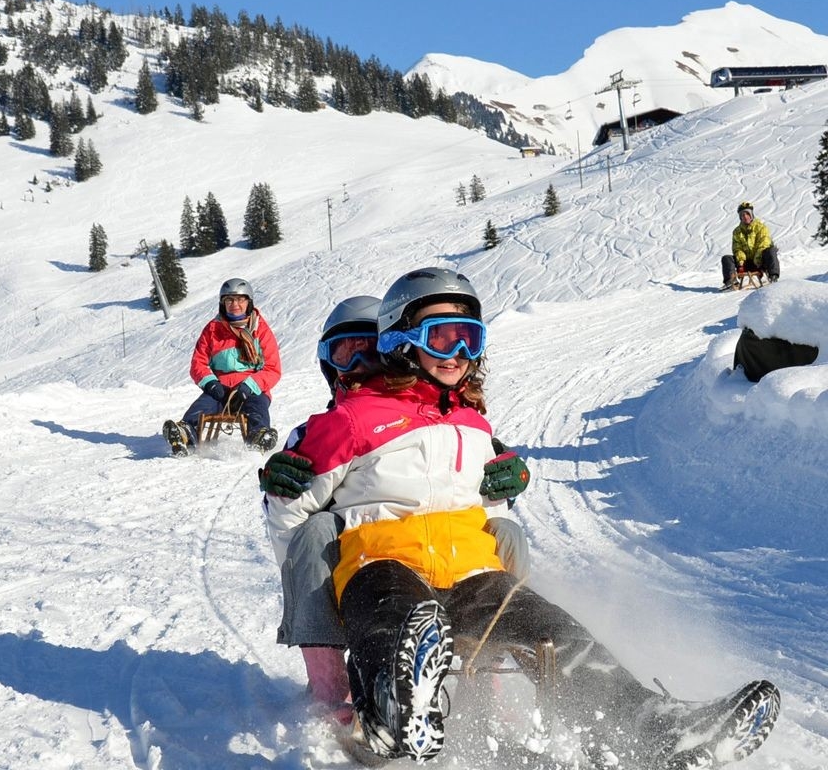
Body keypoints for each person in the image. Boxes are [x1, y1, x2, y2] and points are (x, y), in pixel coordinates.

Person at [264, 267, 780, 766]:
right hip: (384, 560)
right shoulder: (349, 420)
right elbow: (294, 510)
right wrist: (315, 594)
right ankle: (391, 711)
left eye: (468, 338)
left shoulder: (472, 424)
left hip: (471, 572)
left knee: (555, 629)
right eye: (441, 338)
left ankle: (651, 726)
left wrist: (502, 488)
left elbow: (486, 506)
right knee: (394, 622)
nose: (458, 353)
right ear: (401, 341)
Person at [261, 295, 531, 726]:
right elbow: (290, 518)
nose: (360, 366)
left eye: (370, 350)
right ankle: (330, 682)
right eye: (345, 353)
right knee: (315, 530)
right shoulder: (329, 425)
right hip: (357, 559)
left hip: (436, 556)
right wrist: (281, 490)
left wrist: (501, 479)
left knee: (506, 533)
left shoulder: (443, 416)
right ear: (327, 364)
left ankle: (488, 666)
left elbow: (454, 474)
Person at [163, 278, 281, 455]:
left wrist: (250, 386)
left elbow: (273, 368)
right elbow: (198, 363)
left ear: (249, 302)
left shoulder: (260, 330)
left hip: (252, 389)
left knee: (256, 408)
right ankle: (185, 434)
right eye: (229, 300)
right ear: (222, 303)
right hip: (221, 388)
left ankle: (259, 436)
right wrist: (211, 384)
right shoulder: (212, 330)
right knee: (203, 406)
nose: (235, 304)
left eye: (240, 299)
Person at [721, 201, 779, 289]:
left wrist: (758, 259)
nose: (745, 217)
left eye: (747, 214)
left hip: (760, 261)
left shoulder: (761, 227)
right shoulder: (737, 232)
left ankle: (773, 276)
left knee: (771, 250)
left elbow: (764, 243)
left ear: (751, 215)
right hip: (745, 262)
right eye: (742, 215)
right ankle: (731, 282)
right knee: (727, 258)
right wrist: (741, 262)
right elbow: (737, 248)